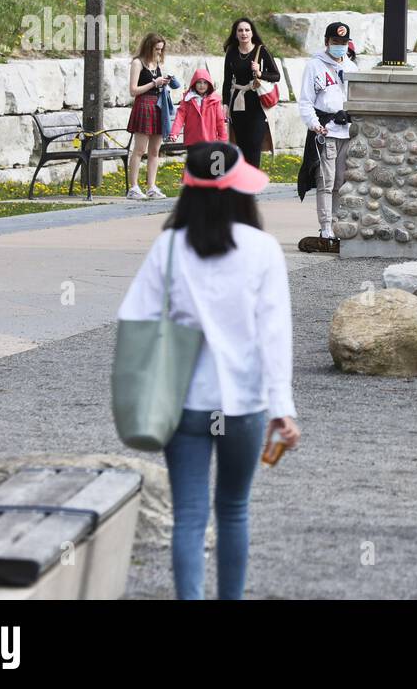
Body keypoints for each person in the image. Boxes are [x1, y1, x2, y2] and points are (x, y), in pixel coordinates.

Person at [117, 141, 300, 599]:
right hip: (243, 403)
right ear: (240, 192)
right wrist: (282, 408)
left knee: (190, 516)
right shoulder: (262, 250)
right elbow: (274, 335)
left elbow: (134, 317)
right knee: (234, 509)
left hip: (182, 403)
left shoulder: (169, 247)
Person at [297, 22, 356, 254]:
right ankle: (325, 228)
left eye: (342, 43)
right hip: (326, 131)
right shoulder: (315, 66)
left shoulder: (352, 68)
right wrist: (314, 124)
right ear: (326, 42)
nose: (339, 46)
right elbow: (305, 100)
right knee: (326, 181)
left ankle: (336, 225)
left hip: (346, 131)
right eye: (335, 42)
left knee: (341, 183)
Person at [221, 18, 281, 168]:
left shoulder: (262, 50)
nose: (244, 33)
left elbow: (276, 76)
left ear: (252, 33)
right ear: (235, 34)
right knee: (241, 146)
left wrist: (260, 73)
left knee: (254, 146)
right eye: (240, 30)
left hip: (257, 105)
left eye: (247, 30)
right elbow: (227, 81)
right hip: (238, 105)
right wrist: (225, 104)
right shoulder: (231, 52)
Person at [126, 33, 172, 200]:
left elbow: (158, 83)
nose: (159, 53)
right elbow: (133, 90)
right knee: (139, 149)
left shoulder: (157, 62)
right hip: (144, 105)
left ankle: (151, 187)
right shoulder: (138, 63)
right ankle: (133, 187)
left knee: (155, 150)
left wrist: (165, 82)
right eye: (156, 49)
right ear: (148, 47)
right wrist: (154, 83)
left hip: (158, 106)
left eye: (161, 50)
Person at [171, 67, 228, 146]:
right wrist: (174, 132)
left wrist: (223, 140)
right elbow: (179, 118)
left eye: (205, 83)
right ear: (194, 83)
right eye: (199, 82)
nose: (202, 85)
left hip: (210, 142)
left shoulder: (215, 101)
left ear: (209, 84)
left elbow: (220, 121)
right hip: (192, 141)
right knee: (194, 159)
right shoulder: (187, 99)